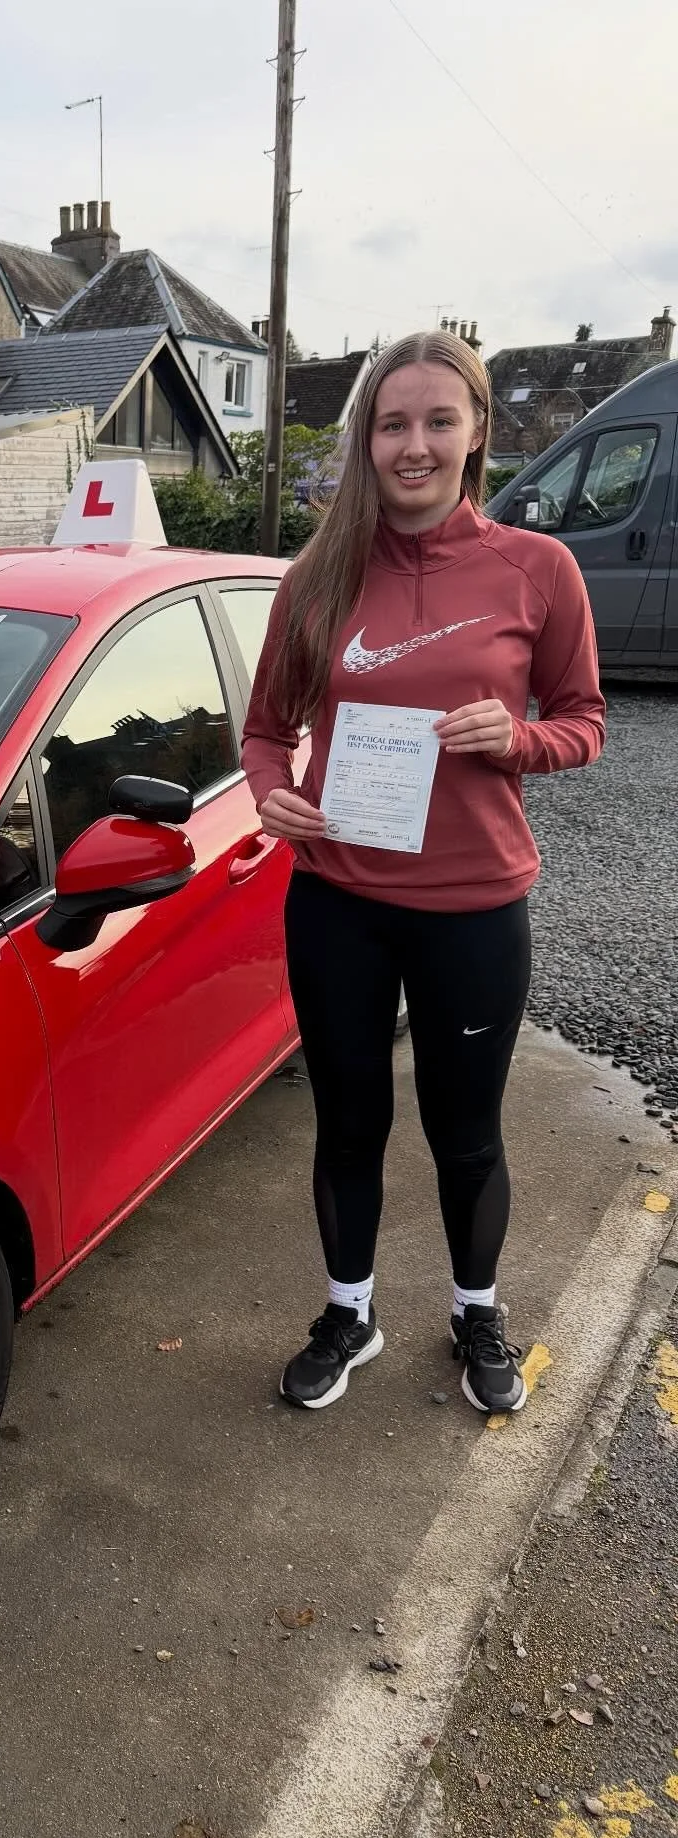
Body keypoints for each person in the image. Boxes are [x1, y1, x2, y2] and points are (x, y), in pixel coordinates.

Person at [241, 328, 604, 1415]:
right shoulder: (318, 576)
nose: (413, 445)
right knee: (348, 1124)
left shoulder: (537, 570)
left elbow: (585, 723)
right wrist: (272, 792)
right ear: (366, 440)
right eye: (392, 423)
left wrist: (518, 739)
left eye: (438, 421)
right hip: (339, 903)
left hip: (473, 911)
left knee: (467, 1132)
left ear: (477, 432)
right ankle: (348, 1313)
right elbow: (264, 731)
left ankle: (476, 1311)